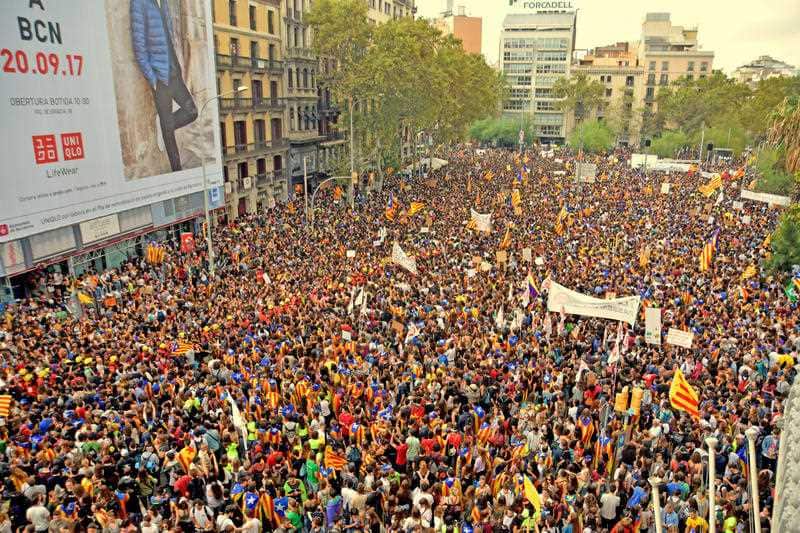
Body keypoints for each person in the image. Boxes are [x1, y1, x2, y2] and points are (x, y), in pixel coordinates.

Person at [130, 0, 198, 171]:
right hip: (160, 77)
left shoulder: (164, 2)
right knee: (169, 133)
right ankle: (177, 170)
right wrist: (153, 79)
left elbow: (169, 37)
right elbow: (139, 46)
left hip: (174, 71)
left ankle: (166, 125)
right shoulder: (139, 3)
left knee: (192, 112)